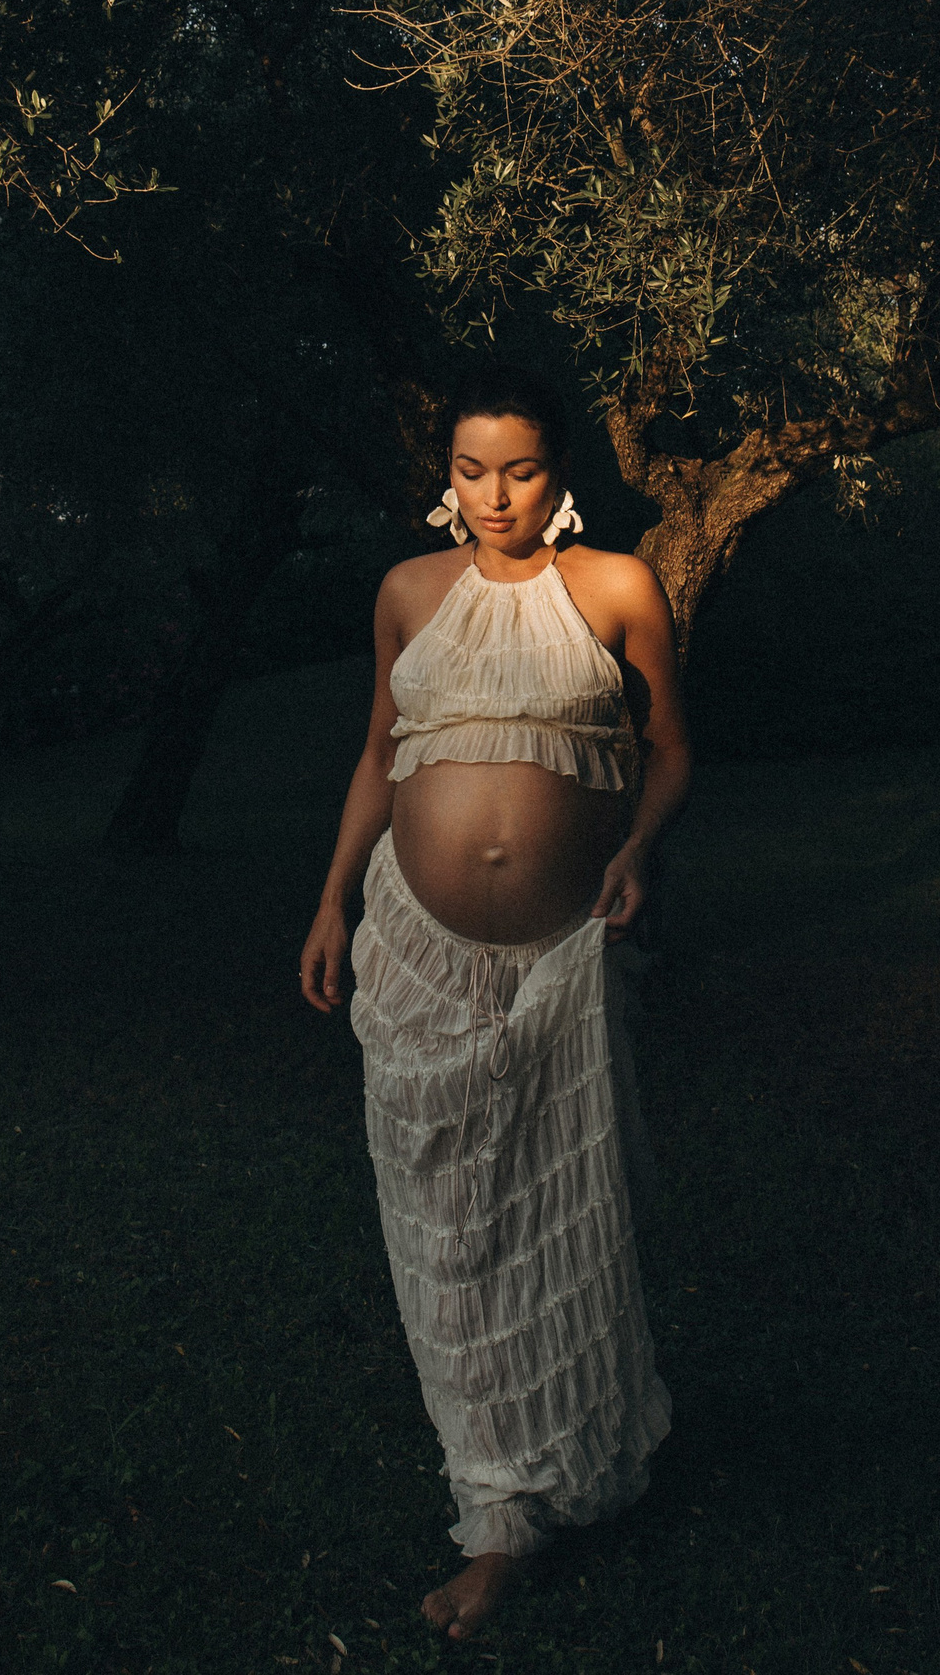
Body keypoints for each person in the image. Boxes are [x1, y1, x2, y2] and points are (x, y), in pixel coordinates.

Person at [298, 363, 692, 1640]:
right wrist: (332, 899)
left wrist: (637, 850)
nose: (495, 495)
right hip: (415, 949)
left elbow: (670, 749)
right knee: (444, 1221)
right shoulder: (408, 592)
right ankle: (493, 1508)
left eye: (519, 469)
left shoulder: (618, 586)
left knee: (560, 1213)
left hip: (562, 953)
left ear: (559, 470)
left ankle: (561, 1460)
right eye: (471, 470)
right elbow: (378, 753)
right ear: (447, 477)